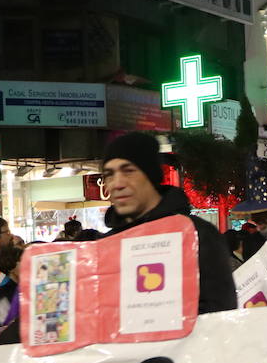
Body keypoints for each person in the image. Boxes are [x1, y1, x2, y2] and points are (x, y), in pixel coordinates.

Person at [100, 132, 236, 313]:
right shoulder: (104, 247)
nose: (117, 184)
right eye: (109, 174)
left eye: (129, 171)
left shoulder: (198, 236)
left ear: (151, 175)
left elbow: (219, 312)